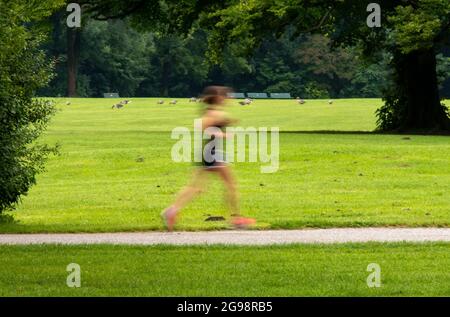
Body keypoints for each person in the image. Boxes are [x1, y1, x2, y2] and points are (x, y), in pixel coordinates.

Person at [161, 86, 256, 231]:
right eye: (226, 96)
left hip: (210, 152)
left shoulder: (213, 112)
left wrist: (226, 124)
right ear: (218, 98)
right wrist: (223, 134)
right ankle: (237, 219)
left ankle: (172, 210)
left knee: (197, 187)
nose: (228, 99)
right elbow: (205, 128)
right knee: (231, 185)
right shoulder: (213, 112)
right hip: (212, 153)